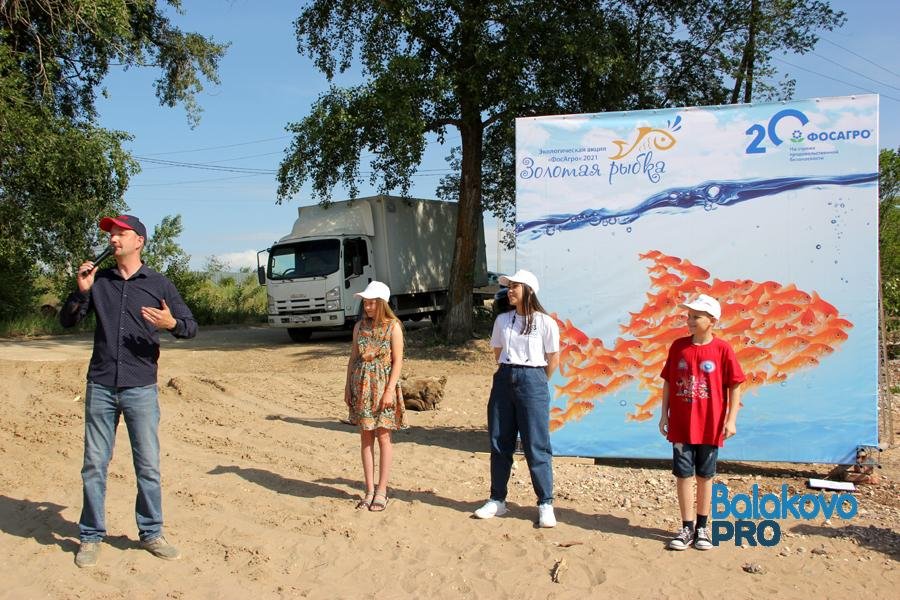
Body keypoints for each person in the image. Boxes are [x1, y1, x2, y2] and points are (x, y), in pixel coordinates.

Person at [60, 214, 197, 568]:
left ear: (139, 241)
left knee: (148, 465)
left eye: (120, 233)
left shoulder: (159, 284)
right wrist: (81, 291)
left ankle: (152, 533)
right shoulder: (99, 280)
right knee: (94, 464)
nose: (113, 239)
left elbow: (190, 326)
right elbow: (68, 320)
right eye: (110, 234)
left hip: (141, 387)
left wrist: (172, 324)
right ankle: (90, 536)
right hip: (101, 383)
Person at [658, 293, 745, 551]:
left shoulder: (723, 349)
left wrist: (731, 420)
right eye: (689, 316)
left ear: (712, 320)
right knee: (683, 475)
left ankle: (702, 527)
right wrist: (664, 415)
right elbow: (668, 382)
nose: (690, 321)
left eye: (697, 317)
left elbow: (735, 385)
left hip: (710, 424)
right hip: (682, 425)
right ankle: (686, 528)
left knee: (705, 476)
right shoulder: (678, 347)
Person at [474, 269, 560, 527]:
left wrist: (536, 380)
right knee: (500, 440)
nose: (510, 291)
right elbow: (497, 351)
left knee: (536, 443)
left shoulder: (546, 322)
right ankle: (497, 499)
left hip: (533, 378)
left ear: (528, 291)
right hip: (504, 377)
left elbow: (553, 358)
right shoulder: (502, 320)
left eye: (515, 287)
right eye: (509, 286)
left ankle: (545, 502)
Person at [344, 280, 406, 512]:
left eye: (371, 303)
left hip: (383, 387)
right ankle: (369, 490)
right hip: (361, 386)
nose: (367, 307)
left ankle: (382, 491)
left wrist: (389, 390)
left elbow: (398, 360)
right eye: (365, 303)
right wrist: (347, 386)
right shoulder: (359, 326)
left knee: (383, 437)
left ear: (382, 304)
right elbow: (353, 358)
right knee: (366, 437)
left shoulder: (393, 327)